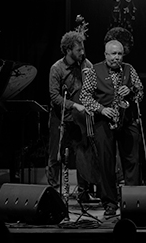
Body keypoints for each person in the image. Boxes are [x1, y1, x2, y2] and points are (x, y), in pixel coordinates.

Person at [80, 40, 144, 218]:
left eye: (119, 54)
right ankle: (110, 203)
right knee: (106, 163)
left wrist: (130, 90)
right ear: (106, 55)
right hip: (104, 121)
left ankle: (132, 202)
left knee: (132, 162)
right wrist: (101, 109)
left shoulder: (129, 69)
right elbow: (85, 96)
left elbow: (140, 92)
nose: (117, 57)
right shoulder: (95, 71)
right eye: (113, 54)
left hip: (127, 120)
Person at [46, 30, 98, 204]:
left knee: (83, 154)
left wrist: (90, 83)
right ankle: (53, 194)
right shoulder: (57, 69)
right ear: (68, 50)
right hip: (60, 117)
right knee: (56, 155)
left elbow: (93, 91)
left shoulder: (86, 65)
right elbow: (54, 97)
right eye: (78, 50)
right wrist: (74, 105)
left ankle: (83, 192)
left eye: (83, 49)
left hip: (80, 120)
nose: (82, 53)